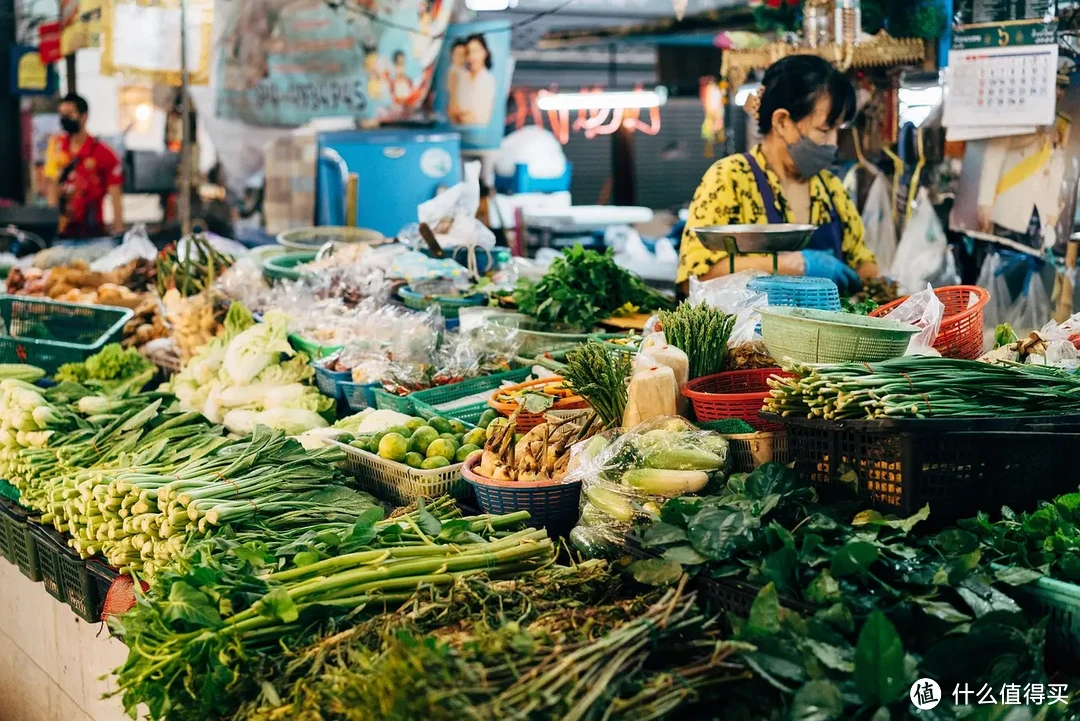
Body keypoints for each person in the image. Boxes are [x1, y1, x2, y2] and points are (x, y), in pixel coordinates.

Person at [678, 56, 878, 292]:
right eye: (824, 130)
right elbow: (694, 278)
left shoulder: (830, 189)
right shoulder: (729, 179)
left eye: (838, 129)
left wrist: (874, 280)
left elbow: (861, 261)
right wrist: (793, 266)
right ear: (782, 122)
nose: (833, 143)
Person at [976, 115, 1070, 250]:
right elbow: (994, 155)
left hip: (1037, 214)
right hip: (1008, 206)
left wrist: (1050, 217)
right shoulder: (1020, 110)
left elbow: (1056, 171)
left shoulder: (1062, 120)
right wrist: (984, 201)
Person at [44, 93, 124, 240]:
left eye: (69, 114)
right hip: (63, 231)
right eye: (62, 114)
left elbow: (115, 195)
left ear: (84, 116)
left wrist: (119, 231)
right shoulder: (56, 147)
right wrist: (50, 226)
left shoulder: (103, 153)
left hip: (93, 232)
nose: (65, 118)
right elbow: (51, 187)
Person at [450, 34, 496, 126]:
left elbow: (482, 118)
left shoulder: (488, 79)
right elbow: (452, 112)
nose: (472, 56)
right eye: (468, 52)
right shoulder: (460, 76)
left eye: (476, 51)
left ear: (485, 52)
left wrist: (461, 115)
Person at [447, 40, 467, 122]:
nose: (460, 58)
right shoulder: (453, 73)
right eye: (457, 54)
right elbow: (453, 98)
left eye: (463, 55)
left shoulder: (464, 72)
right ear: (452, 55)